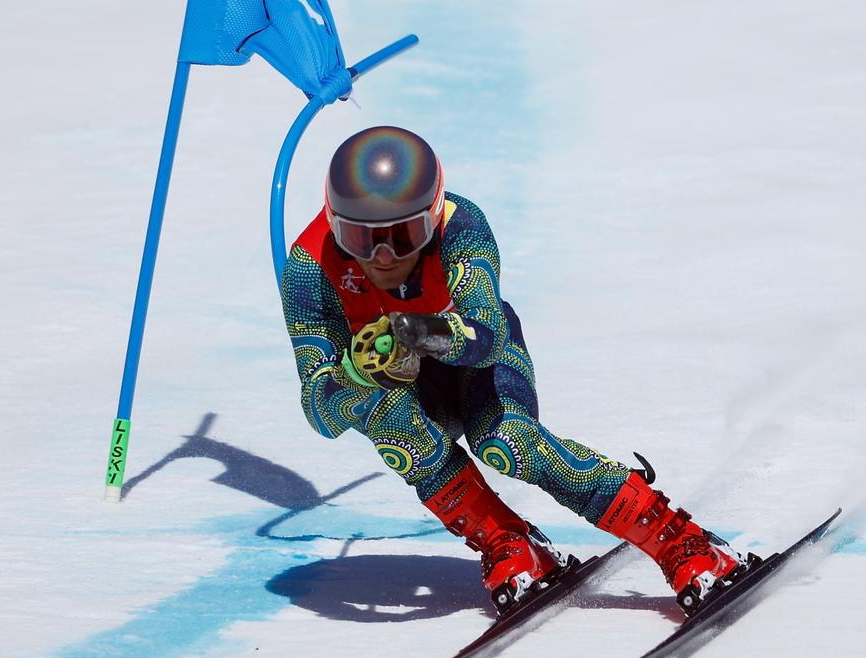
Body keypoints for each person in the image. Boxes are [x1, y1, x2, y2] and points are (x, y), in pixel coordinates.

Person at [280, 126, 756, 616]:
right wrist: (359, 373)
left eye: (403, 237)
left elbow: (485, 338)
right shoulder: (308, 267)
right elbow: (319, 411)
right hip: (410, 392)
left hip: (476, 365)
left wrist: (421, 334)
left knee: (505, 442)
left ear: (431, 217)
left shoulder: (460, 226)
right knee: (394, 430)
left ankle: (683, 542)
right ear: (334, 225)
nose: (383, 259)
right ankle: (507, 542)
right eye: (361, 239)